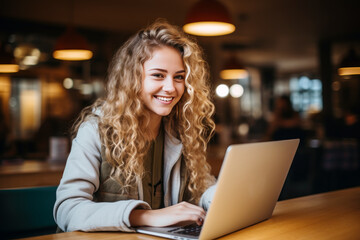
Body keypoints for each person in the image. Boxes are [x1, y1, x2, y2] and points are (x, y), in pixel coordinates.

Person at [54, 19, 216, 233]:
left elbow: (203, 189)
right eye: (158, 75)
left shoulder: (181, 130)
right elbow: (68, 210)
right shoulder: (96, 130)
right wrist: (147, 216)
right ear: (132, 78)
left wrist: (220, 197)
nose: (170, 88)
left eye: (179, 77)